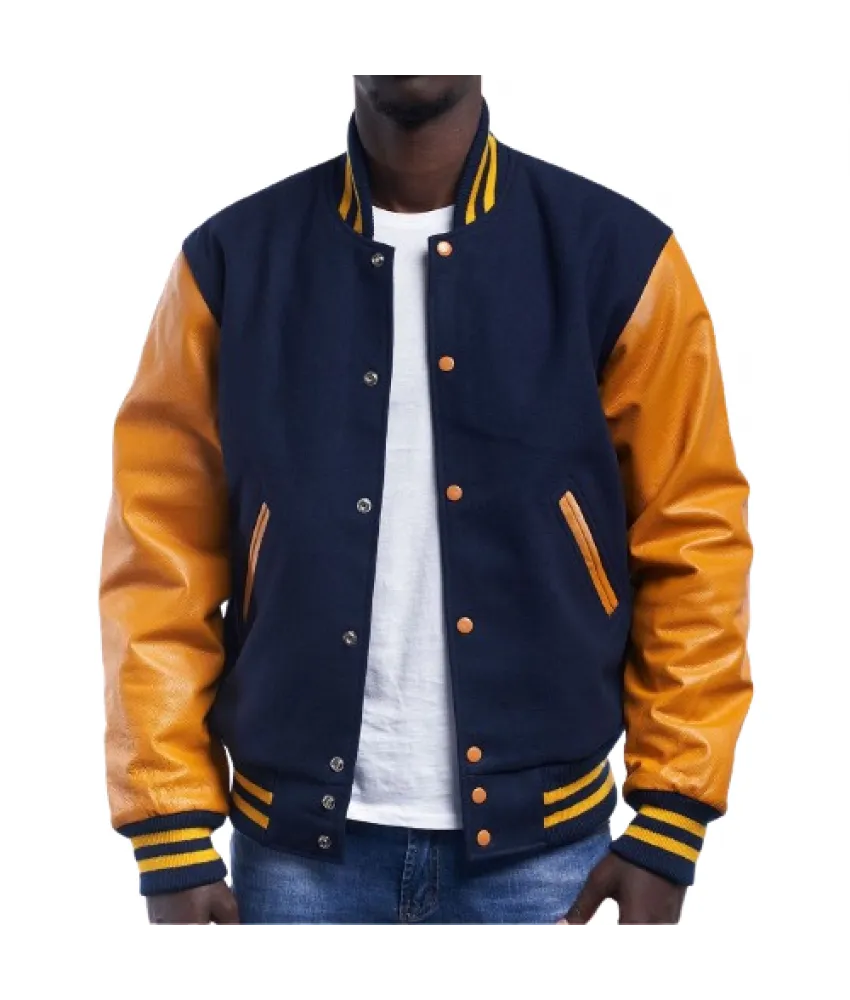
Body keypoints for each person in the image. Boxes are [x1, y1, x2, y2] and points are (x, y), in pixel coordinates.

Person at [99, 72, 753, 926]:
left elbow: (694, 540)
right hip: (294, 858)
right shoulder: (232, 261)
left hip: (546, 852)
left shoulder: (616, 255)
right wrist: (170, 828)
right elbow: (158, 556)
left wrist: (671, 817)